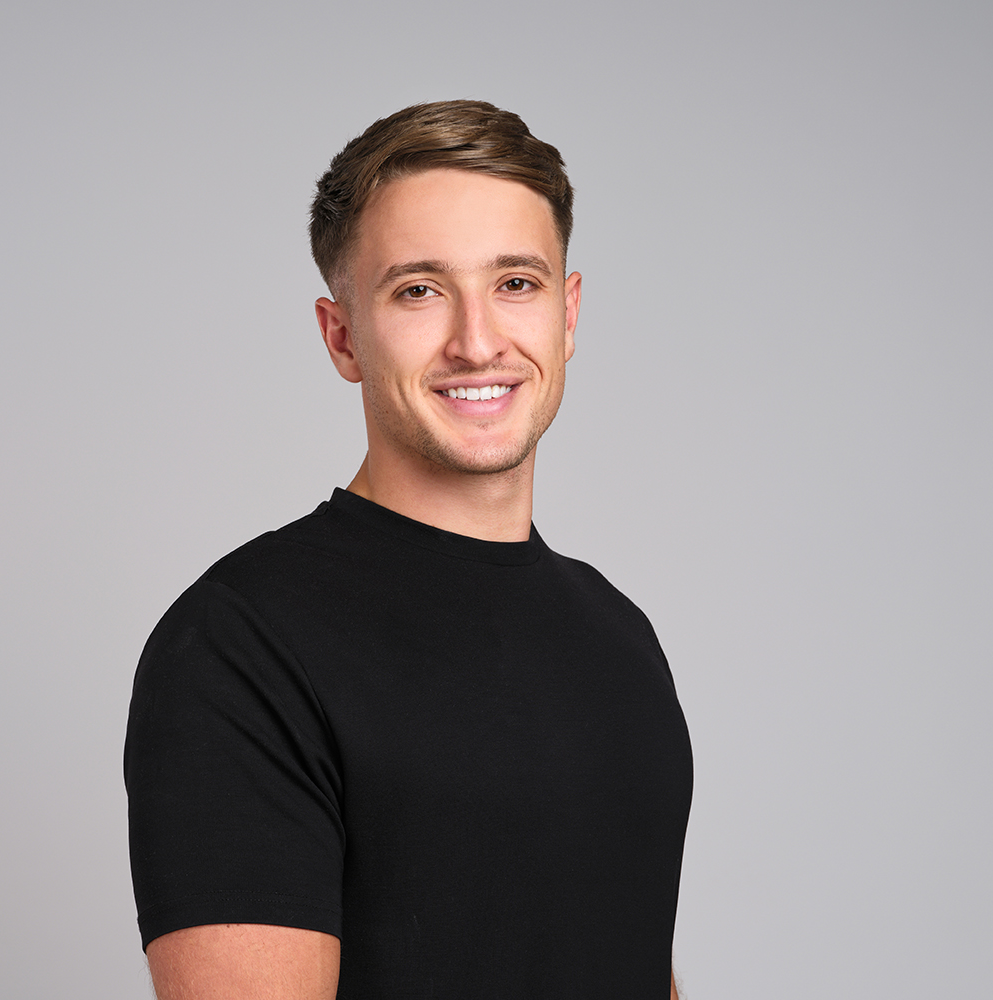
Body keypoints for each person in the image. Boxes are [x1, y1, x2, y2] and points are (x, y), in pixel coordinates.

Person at [124, 100, 693, 999]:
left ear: (568, 313)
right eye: (419, 290)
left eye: (516, 283)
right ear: (342, 334)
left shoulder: (620, 640)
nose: (477, 342)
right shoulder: (240, 646)